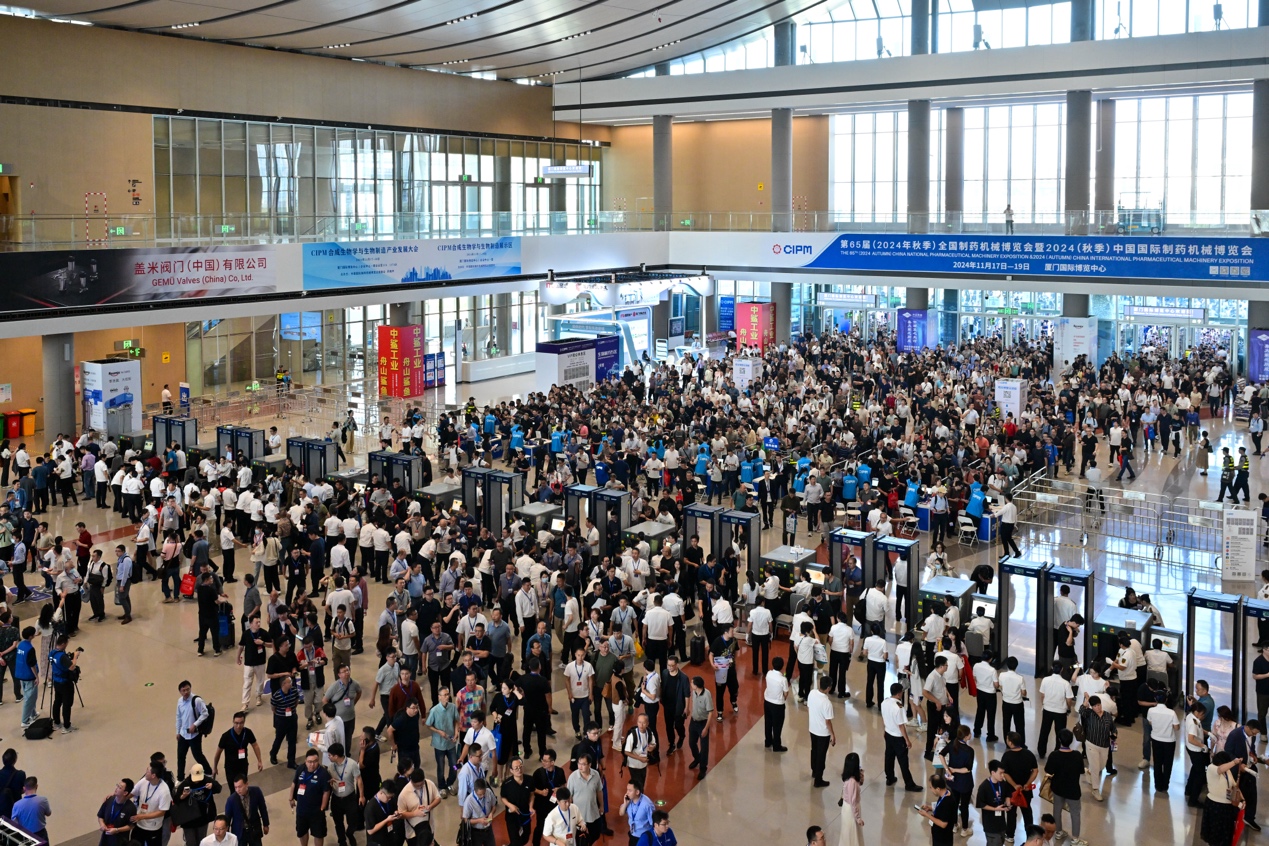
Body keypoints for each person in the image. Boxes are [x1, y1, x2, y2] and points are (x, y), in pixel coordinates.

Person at [1043, 730, 1084, 846]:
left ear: (1059, 740)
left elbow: (1048, 770)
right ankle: (1075, 839)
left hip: (1058, 788)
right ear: (1071, 740)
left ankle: (1058, 832)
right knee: (1075, 813)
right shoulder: (1077, 755)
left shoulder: (1054, 755)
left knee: (1057, 810)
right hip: (1073, 790)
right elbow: (1081, 771)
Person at [290, 749, 332, 846]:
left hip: (316, 812)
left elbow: (326, 792)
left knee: (318, 834)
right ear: (305, 761)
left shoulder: (323, 774)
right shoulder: (301, 769)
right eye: (309, 762)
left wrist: (322, 808)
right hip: (301, 810)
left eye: (315, 761)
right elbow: (294, 783)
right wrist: (291, 798)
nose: (312, 764)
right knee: (302, 832)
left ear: (318, 761)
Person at [1201, 751, 1244, 846]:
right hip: (1215, 805)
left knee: (1225, 834)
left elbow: (1234, 785)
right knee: (1215, 832)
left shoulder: (1227, 771)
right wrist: (1234, 762)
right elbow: (1220, 769)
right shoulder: (1212, 768)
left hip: (1227, 807)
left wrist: (1242, 799)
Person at [326, 742, 364, 846]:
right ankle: (342, 841)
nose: (328, 757)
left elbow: (359, 779)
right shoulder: (330, 767)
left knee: (353, 822)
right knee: (338, 823)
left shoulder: (352, 764)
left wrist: (361, 796)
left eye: (330, 755)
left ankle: (349, 833)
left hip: (350, 798)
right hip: (336, 799)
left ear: (336, 756)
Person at [213, 712, 264, 788]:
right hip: (230, 767)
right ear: (233, 722)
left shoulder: (248, 733)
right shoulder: (226, 736)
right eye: (236, 723)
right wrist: (215, 767)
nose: (238, 726)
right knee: (233, 788)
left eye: (241, 723)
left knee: (243, 787)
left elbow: (255, 745)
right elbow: (218, 752)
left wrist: (259, 761)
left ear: (244, 722)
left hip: (243, 765)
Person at [176, 680, 214, 781]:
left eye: (188, 689)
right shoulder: (179, 701)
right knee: (180, 756)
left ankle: (209, 772)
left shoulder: (197, 700)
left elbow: (205, 713)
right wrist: (178, 731)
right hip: (183, 734)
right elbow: (178, 717)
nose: (186, 692)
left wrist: (195, 724)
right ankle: (180, 778)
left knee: (198, 755)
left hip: (195, 734)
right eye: (183, 690)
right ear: (180, 691)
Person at [130, 765, 173, 846]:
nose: (145, 773)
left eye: (147, 771)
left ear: (153, 775)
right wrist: (116, 796)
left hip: (153, 828)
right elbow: (132, 793)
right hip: (139, 824)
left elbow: (161, 812)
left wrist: (142, 816)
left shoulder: (164, 791)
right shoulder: (144, 781)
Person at [223, 775, 270, 846]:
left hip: (254, 829)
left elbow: (262, 808)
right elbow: (227, 818)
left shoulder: (256, 792)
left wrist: (266, 824)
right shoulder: (231, 800)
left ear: (246, 784)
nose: (238, 790)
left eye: (240, 787)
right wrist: (226, 834)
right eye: (235, 787)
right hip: (239, 832)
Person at [808, 675, 836, 788]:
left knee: (814, 750)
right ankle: (818, 780)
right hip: (822, 733)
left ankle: (814, 771)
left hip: (812, 728)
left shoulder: (812, 693)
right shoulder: (827, 703)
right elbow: (827, 721)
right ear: (828, 688)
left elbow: (809, 708)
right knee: (821, 755)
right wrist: (833, 734)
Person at [975, 759, 1011, 846]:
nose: (1002, 775)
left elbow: (1007, 794)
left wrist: (1008, 801)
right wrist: (995, 809)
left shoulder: (1002, 783)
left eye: (1003, 773)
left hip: (1001, 823)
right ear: (993, 772)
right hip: (990, 825)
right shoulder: (984, 787)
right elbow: (981, 804)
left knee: (1001, 842)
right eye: (1000, 773)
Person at [268, 672, 301, 767]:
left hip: (292, 719)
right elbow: (273, 708)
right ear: (283, 684)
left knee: (292, 740)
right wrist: (281, 714)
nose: (291, 683)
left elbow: (296, 702)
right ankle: (273, 754)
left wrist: (292, 711)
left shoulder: (294, 691)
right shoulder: (276, 695)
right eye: (289, 682)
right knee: (279, 739)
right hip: (281, 720)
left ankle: (291, 761)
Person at [48, 634, 79, 734]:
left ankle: (56, 722)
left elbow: (55, 663)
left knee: (57, 701)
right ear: (62, 644)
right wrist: (75, 657)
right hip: (65, 682)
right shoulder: (62, 656)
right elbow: (72, 667)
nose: (66, 645)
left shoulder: (52, 653)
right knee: (67, 704)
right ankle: (67, 726)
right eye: (66, 644)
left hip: (56, 681)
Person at [915, 772, 957, 846]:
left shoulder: (947, 802)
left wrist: (927, 815)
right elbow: (943, 810)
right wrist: (930, 808)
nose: (930, 789)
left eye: (931, 787)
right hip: (938, 835)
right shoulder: (946, 792)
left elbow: (943, 824)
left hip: (943, 839)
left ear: (938, 789)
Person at [97, 777, 138, 846]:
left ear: (125, 793)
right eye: (117, 785)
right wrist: (102, 824)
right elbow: (100, 816)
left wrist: (117, 830)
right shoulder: (109, 800)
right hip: (105, 839)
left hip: (120, 841)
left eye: (120, 787)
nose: (116, 788)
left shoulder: (131, 808)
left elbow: (131, 825)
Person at [687, 675, 713, 778]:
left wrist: (706, 728)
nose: (690, 684)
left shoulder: (707, 695)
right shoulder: (694, 692)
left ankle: (703, 768)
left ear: (696, 685)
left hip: (703, 723)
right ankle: (697, 758)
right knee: (691, 743)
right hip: (693, 721)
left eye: (692, 683)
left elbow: (710, 712)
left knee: (704, 747)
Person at [11, 776, 50, 843]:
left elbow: (14, 822)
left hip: (25, 835)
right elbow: (48, 813)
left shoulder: (17, 805)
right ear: (36, 786)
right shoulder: (43, 800)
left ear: (24, 788)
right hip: (41, 834)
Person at [837, 752, 864, 846]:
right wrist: (858, 818)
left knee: (850, 833)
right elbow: (853, 802)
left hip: (849, 808)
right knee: (852, 834)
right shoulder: (852, 782)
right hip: (851, 810)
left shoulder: (849, 778)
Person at [461, 777, 498, 846]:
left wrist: (491, 813)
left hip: (488, 830)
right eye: (480, 794)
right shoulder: (469, 801)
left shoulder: (489, 792)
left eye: (484, 793)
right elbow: (466, 820)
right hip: (476, 833)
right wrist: (479, 820)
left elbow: (494, 806)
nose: (483, 796)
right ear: (475, 791)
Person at [764, 656, 790, 751]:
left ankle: (768, 741)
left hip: (767, 701)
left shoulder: (768, 673)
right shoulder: (783, 679)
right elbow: (786, 693)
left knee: (768, 722)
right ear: (782, 666)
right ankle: (776, 745)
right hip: (778, 705)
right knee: (777, 725)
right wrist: (783, 699)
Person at [619, 782, 654, 846]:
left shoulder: (647, 805)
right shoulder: (629, 800)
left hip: (643, 836)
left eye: (630, 790)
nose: (627, 793)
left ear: (637, 792)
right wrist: (625, 803)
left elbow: (653, 823)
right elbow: (621, 813)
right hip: (632, 834)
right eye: (627, 790)